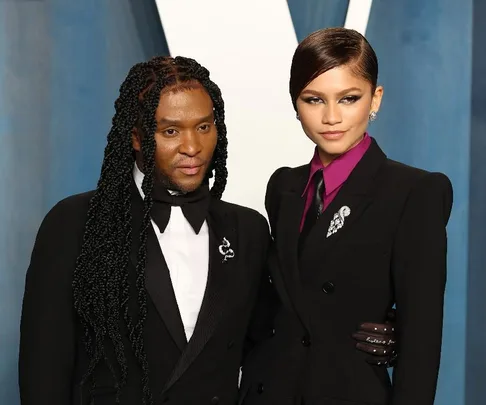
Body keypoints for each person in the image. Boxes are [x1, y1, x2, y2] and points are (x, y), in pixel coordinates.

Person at [19, 55, 398, 405]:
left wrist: (380, 335)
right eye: (170, 131)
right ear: (135, 137)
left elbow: (282, 334)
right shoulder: (76, 223)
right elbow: (43, 370)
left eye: (203, 127)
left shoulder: (247, 229)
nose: (192, 147)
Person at [240, 28, 453, 405]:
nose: (331, 117)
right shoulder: (284, 187)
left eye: (349, 98)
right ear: (295, 103)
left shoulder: (413, 192)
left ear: (376, 98)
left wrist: (396, 337)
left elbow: (422, 341)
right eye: (314, 99)